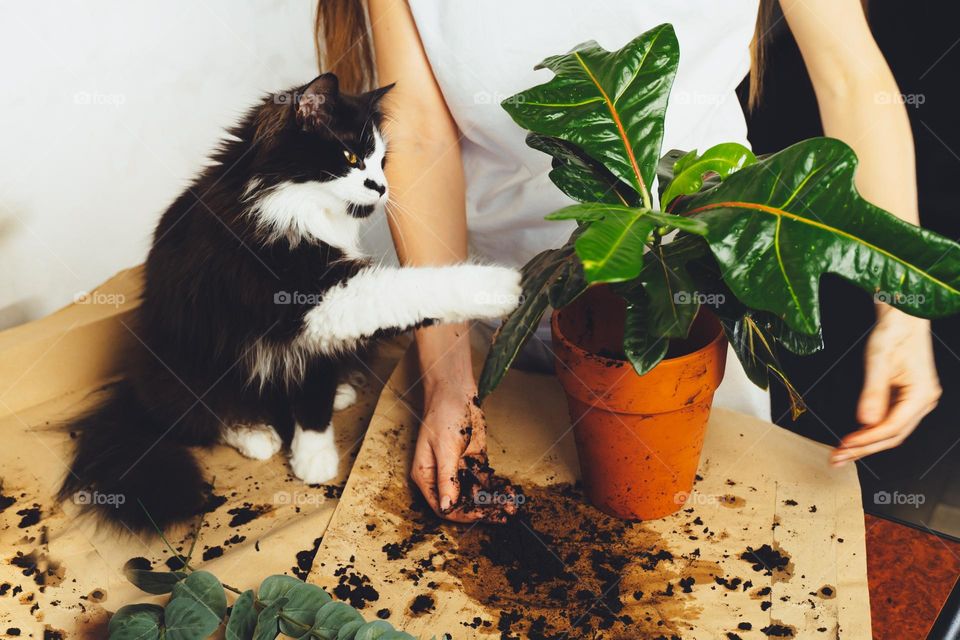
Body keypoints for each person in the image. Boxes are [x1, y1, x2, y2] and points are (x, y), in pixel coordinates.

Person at [314, 0, 941, 522]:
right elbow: (420, 132)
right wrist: (449, 379)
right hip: (498, 303)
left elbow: (850, 76)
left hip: (695, 296)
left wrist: (904, 309)